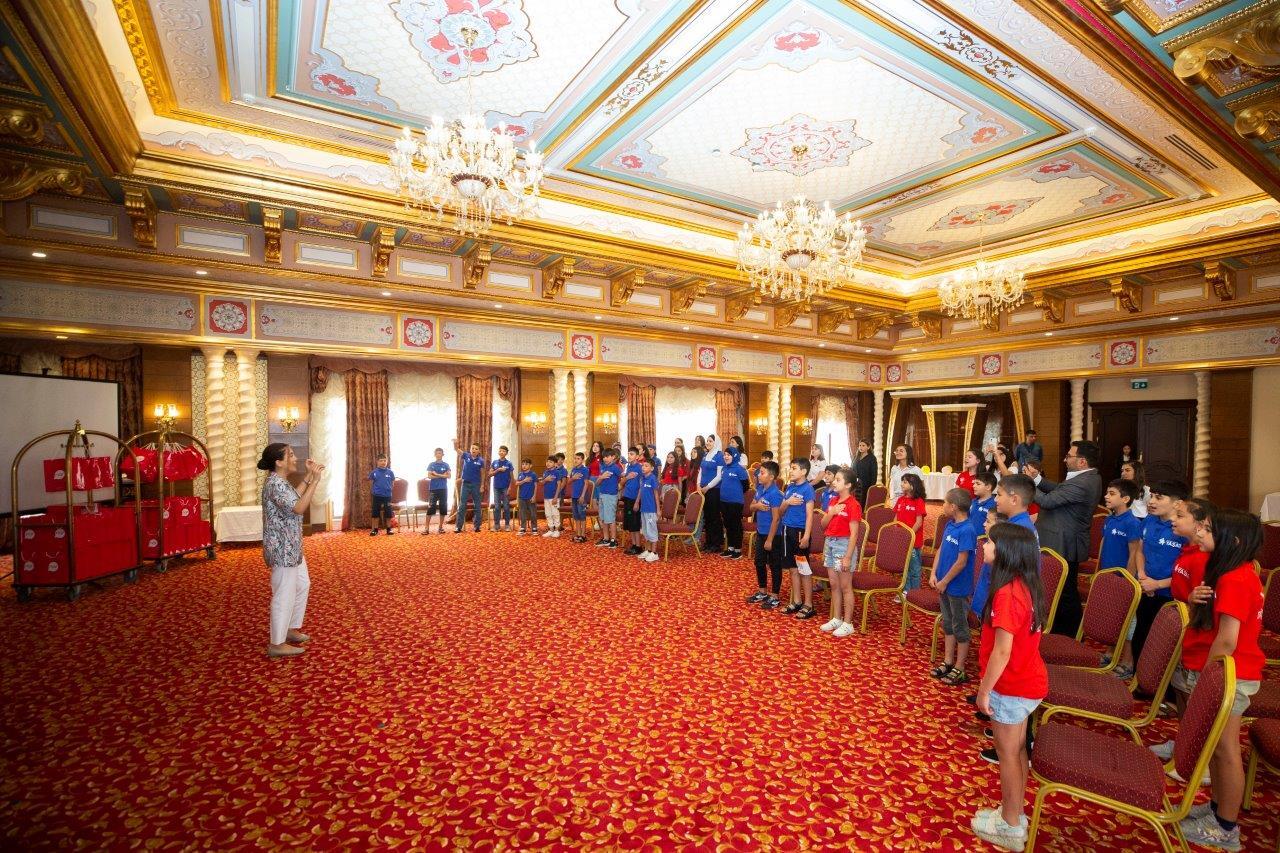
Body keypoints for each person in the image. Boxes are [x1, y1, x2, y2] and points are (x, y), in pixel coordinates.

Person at [1176, 509, 1266, 851]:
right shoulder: (1231, 572)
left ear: (1234, 541)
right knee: (1215, 746)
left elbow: (1227, 640)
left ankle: (1227, 826)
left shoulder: (1235, 579)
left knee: (1226, 749)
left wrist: (1208, 683)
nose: (1199, 533)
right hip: (1228, 673)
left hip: (1231, 675)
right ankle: (1216, 809)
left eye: (1208, 529)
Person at [969, 523, 1048, 853]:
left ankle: (1011, 825)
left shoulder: (1008, 594)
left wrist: (984, 690)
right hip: (1026, 680)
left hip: (1011, 685)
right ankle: (1012, 812)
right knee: (1017, 752)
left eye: (990, 542)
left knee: (1008, 754)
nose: (984, 546)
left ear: (1005, 552)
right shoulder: (1023, 585)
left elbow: (1002, 651)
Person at [257, 443, 323, 659]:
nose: (295, 458)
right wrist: (315, 481)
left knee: (303, 584)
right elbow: (298, 507)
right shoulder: (275, 484)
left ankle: (290, 628)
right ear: (279, 462)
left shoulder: (279, 481)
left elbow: (293, 498)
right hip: (282, 548)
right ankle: (277, 643)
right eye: (291, 455)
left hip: (291, 546)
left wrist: (308, 476)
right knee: (284, 594)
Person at [1032, 439, 1102, 636]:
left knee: (1065, 593)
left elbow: (1048, 501)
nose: (1065, 460)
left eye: (1069, 456)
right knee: (1063, 590)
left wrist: (1027, 484)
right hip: (1063, 540)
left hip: (1065, 542)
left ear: (1082, 461)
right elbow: (1060, 490)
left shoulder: (1084, 482)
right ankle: (1062, 630)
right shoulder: (1086, 477)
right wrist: (1037, 480)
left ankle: (1069, 635)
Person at [1131, 479, 1189, 661]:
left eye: (1159, 497)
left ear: (1177, 503)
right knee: (1141, 635)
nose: (1151, 501)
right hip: (1145, 589)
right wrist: (1142, 576)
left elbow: (1188, 572)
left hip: (1170, 595)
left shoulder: (1183, 529)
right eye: (1152, 496)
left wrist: (1156, 584)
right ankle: (1137, 676)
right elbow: (1140, 551)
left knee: (1162, 646)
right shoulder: (1149, 520)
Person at [931, 488, 976, 686]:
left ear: (954, 507)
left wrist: (945, 581)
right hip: (943, 584)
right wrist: (933, 573)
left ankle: (960, 666)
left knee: (960, 626)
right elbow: (941, 550)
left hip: (956, 587)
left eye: (945, 502)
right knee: (948, 623)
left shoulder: (968, 529)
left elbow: (961, 562)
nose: (943, 506)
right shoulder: (950, 524)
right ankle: (948, 661)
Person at [1099, 478, 1143, 679]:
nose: (1106, 497)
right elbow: (1105, 546)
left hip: (1123, 579)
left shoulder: (1132, 523)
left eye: (1112, 494)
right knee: (1112, 617)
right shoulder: (1110, 519)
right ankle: (1111, 652)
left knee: (1128, 622)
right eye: (1107, 493)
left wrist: (1128, 580)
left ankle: (1127, 661)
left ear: (1125, 499)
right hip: (1108, 576)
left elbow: (1134, 552)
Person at [819, 467, 862, 638]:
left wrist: (848, 557)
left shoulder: (853, 505)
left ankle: (848, 623)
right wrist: (832, 512)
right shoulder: (833, 501)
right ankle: (837, 618)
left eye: (838, 480)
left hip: (844, 545)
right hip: (829, 542)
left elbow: (854, 534)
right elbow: (823, 525)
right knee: (834, 584)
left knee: (845, 586)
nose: (834, 482)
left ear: (848, 485)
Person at [746, 460, 784, 610]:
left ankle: (775, 596)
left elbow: (776, 519)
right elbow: (751, 507)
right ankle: (762, 591)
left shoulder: (775, 494)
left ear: (771, 477)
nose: (758, 475)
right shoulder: (760, 489)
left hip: (773, 535)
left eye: (762, 473)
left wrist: (769, 539)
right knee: (759, 562)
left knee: (774, 565)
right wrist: (758, 505)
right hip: (761, 532)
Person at [780, 458, 816, 620]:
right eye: (790, 468)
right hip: (786, 530)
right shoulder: (789, 487)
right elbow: (780, 511)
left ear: (803, 471)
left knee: (803, 569)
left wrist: (807, 535)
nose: (791, 471)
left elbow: (809, 515)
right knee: (792, 568)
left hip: (800, 532)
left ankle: (808, 604)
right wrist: (787, 502)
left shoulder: (808, 489)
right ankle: (796, 601)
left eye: (794, 468)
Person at [894, 472, 927, 597]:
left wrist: (909, 535)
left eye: (905, 482)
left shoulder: (918, 501)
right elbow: (896, 517)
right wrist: (894, 531)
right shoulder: (900, 500)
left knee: (914, 567)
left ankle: (915, 593)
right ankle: (906, 590)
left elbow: (919, 522)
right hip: (901, 540)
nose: (901, 484)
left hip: (913, 541)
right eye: (902, 481)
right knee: (905, 567)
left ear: (913, 485)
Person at [718, 447, 749, 560]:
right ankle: (730, 548)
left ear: (734, 456)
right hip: (724, 501)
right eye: (725, 454)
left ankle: (738, 550)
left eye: (729, 455)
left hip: (735, 502)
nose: (726, 457)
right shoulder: (724, 469)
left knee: (736, 525)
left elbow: (745, 486)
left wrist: (735, 493)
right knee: (728, 525)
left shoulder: (740, 469)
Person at [696, 435, 725, 554]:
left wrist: (708, 487)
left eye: (710, 441)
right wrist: (698, 484)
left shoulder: (719, 456)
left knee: (714, 517)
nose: (708, 443)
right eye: (707, 441)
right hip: (703, 490)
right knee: (707, 517)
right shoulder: (705, 455)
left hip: (714, 490)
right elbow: (700, 471)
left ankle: (716, 543)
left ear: (716, 443)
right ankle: (708, 542)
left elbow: (719, 476)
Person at [453, 439, 486, 533]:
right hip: (465, 484)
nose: (474, 450)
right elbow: (456, 449)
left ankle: (477, 526)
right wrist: (455, 443)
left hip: (476, 485)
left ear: (479, 451)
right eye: (472, 448)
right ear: (470, 449)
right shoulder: (466, 456)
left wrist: (482, 485)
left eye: (476, 449)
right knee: (462, 505)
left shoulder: (481, 461)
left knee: (477, 505)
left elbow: (483, 474)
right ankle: (458, 527)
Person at [595, 448, 623, 548]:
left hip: (611, 496)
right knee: (603, 518)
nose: (605, 459)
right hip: (602, 494)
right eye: (604, 457)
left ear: (613, 457)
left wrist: (619, 487)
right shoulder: (603, 467)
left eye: (607, 457)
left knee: (610, 518)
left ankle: (613, 540)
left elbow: (622, 477)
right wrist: (601, 477)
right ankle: (606, 538)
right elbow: (597, 483)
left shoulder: (615, 467)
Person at [634, 457, 660, 562]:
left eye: (646, 466)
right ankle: (648, 550)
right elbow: (640, 491)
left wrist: (658, 509)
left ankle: (654, 553)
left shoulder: (653, 478)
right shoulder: (643, 478)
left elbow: (656, 495)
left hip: (651, 510)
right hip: (643, 509)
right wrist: (637, 502)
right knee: (646, 531)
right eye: (643, 466)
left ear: (652, 468)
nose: (643, 468)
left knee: (652, 531)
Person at [621, 446, 644, 555]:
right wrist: (627, 477)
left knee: (635, 523)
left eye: (632, 454)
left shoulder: (640, 468)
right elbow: (623, 482)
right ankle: (634, 545)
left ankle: (638, 546)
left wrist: (637, 502)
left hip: (634, 499)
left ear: (637, 456)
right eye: (628, 454)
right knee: (630, 522)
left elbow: (641, 486)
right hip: (627, 497)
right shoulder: (629, 467)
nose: (629, 456)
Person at [425, 448, 451, 535]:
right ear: (435, 455)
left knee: (443, 508)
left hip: (443, 489)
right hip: (433, 489)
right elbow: (429, 476)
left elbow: (449, 476)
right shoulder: (431, 465)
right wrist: (442, 475)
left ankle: (440, 527)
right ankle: (426, 528)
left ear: (443, 454)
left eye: (440, 453)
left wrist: (436, 474)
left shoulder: (446, 465)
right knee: (430, 508)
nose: (438, 455)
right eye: (437, 453)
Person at [368, 452, 394, 536]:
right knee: (375, 513)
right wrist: (374, 491)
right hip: (377, 496)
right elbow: (370, 483)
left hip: (387, 496)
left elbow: (392, 482)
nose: (383, 462)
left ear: (387, 461)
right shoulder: (374, 472)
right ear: (377, 462)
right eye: (381, 461)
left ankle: (389, 529)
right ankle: (374, 529)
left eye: (384, 460)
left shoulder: (390, 472)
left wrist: (389, 490)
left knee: (388, 512)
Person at [490, 445, 514, 532]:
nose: (501, 452)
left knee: (506, 506)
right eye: (500, 451)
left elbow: (512, 478)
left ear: (506, 453)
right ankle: (497, 525)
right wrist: (498, 470)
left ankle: (507, 525)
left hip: (505, 487)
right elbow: (490, 474)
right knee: (497, 507)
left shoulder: (509, 463)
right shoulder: (494, 462)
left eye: (503, 451)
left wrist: (510, 487)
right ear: (498, 452)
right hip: (496, 487)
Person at [540, 455, 565, 538]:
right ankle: (551, 529)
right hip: (546, 497)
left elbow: (559, 485)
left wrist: (556, 497)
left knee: (555, 513)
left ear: (555, 464)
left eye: (550, 462)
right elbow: (541, 483)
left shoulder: (557, 472)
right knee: (548, 513)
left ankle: (557, 530)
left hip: (554, 497)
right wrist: (545, 479)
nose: (548, 463)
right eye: (547, 461)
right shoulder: (545, 472)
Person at [568, 452, 590, 543]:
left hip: (581, 496)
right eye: (575, 458)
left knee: (582, 515)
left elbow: (586, 483)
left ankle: (583, 535)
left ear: (582, 460)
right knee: (576, 515)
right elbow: (569, 482)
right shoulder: (573, 469)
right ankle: (578, 533)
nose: (576, 460)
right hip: (574, 496)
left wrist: (582, 495)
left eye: (578, 459)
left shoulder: (585, 470)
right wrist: (573, 478)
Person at [515, 458, 537, 535]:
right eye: (523, 464)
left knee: (533, 513)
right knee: (522, 513)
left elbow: (536, 486)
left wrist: (534, 496)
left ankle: (534, 528)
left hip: (531, 497)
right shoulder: (520, 474)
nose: (524, 466)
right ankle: (523, 528)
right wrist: (524, 480)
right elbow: (517, 483)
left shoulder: (533, 474)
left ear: (530, 465)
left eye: (526, 464)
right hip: (522, 498)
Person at [853, 438, 877, 509]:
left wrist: (871, 488)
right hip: (856, 484)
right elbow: (853, 469)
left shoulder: (872, 458)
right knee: (855, 502)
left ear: (868, 447)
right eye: (860, 445)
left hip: (866, 485)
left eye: (863, 445)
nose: (861, 447)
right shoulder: (856, 457)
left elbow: (874, 474)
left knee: (863, 503)